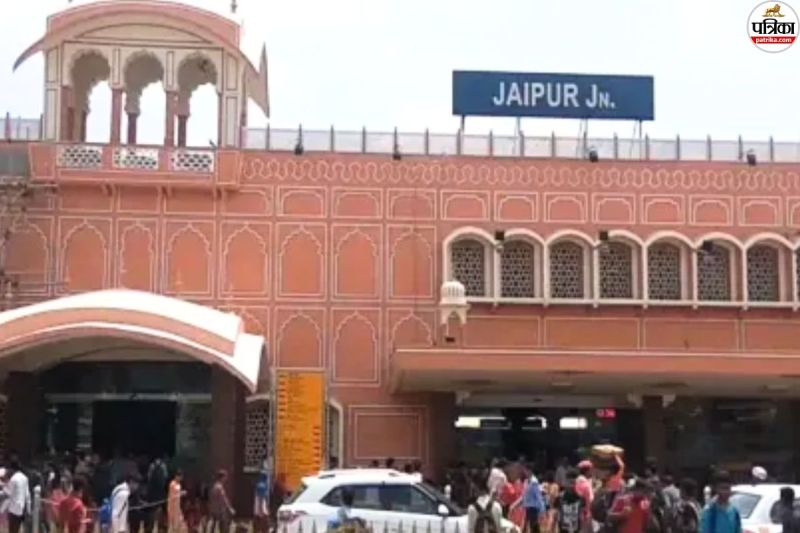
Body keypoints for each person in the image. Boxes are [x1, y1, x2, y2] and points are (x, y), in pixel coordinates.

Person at [5, 458, 30, 533]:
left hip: (13, 508)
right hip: (22, 507)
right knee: (18, 528)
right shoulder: (25, 477)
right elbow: (27, 494)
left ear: (12, 469)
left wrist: (3, 487)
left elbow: (9, 493)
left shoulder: (13, 479)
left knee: (12, 529)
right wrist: (28, 508)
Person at [521, 468, 545, 533]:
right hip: (527, 506)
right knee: (526, 526)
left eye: (526, 470)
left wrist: (542, 509)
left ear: (530, 471)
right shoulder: (526, 481)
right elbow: (524, 495)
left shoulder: (534, 482)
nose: (525, 472)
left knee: (532, 526)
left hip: (533, 507)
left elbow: (538, 496)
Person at [575, 461, 594, 533]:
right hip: (585, 513)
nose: (592, 471)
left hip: (584, 512)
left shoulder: (582, 481)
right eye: (591, 469)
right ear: (587, 470)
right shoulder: (583, 483)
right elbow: (586, 499)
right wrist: (587, 512)